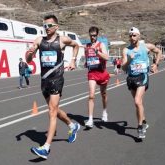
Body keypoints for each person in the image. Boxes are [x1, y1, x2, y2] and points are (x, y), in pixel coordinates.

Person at [25, 14, 80, 159]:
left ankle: (46, 147)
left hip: (57, 79)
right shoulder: (39, 40)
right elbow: (29, 59)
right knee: (54, 109)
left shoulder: (62, 40)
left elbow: (76, 45)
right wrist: (30, 55)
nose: (46, 28)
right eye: (44, 26)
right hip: (44, 80)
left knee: (51, 111)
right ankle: (72, 125)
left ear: (56, 26)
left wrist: (73, 61)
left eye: (49, 26)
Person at [121, 27, 162, 139]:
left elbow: (158, 52)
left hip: (142, 77)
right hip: (131, 78)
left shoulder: (146, 47)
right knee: (138, 104)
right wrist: (129, 60)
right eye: (130, 35)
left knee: (137, 101)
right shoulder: (126, 50)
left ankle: (140, 128)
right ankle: (143, 121)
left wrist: (156, 64)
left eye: (134, 35)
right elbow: (123, 68)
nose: (132, 37)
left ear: (139, 36)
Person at [84, 26, 110, 128]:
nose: (92, 37)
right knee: (91, 95)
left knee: (103, 94)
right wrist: (87, 63)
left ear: (97, 35)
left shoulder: (101, 45)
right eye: (91, 36)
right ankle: (90, 119)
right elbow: (87, 57)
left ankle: (104, 112)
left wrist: (97, 52)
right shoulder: (87, 46)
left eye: (94, 36)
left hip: (102, 72)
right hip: (92, 73)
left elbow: (106, 57)